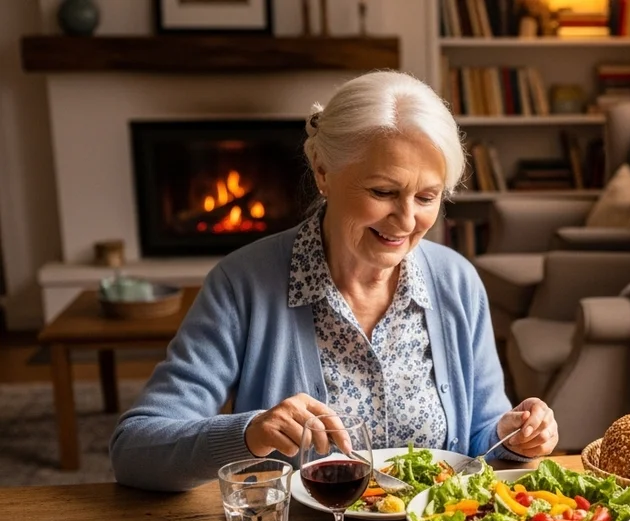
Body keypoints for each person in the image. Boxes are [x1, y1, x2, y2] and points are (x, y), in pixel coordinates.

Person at [112, 71, 557, 491]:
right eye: (383, 192)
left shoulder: (456, 281)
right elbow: (136, 449)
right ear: (323, 172)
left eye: (426, 197)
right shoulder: (242, 283)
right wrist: (250, 432)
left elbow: (482, 434)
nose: (406, 220)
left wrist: (514, 434)